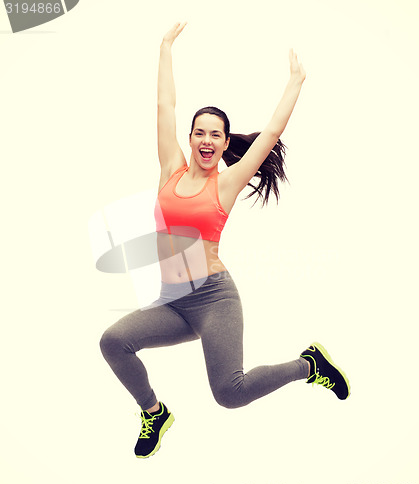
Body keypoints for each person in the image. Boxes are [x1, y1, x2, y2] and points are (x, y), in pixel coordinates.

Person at [100, 22, 351, 460]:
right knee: (113, 341)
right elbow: (165, 104)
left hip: (214, 300)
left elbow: (271, 133)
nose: (206, 140)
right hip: (171, 302)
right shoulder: (170, 169)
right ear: (191, 137)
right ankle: (154, 413)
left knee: (229, 394)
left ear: (223, 142)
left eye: (216, 134)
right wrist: (164, 47)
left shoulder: (227, 184)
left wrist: (295, 83)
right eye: (200, 132)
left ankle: (310, 365)